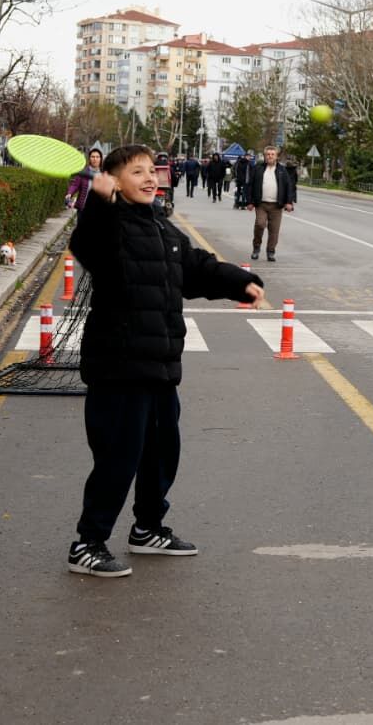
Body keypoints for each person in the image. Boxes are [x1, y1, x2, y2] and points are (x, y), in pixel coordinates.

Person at [66, 144, 264, 577]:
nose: (150, 178)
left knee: (161, 452)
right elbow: (87, 246)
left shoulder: (160, 225)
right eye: (137, 172)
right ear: (115, 181)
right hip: (118, 365)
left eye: (152, 170)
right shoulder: (109, 223)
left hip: (159, 365)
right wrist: (98, 202)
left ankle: (148, 528)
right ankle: (88, 542)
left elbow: (196, 267)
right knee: (118, 456)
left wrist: (241, 282)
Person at [247, 145, 297, 262]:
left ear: (276, 156)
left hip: (276, 205)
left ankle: (270, 252)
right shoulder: (258, 168)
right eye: (268, 154)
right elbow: (250, 185)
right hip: (261, 204)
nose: (270, 156)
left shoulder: (282, 170)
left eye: (272, 154)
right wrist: (249, 202)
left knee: (274, 230)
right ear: (264, 156)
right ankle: (256, 247)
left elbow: (289, 187)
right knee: (260, 224)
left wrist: (289, 202)